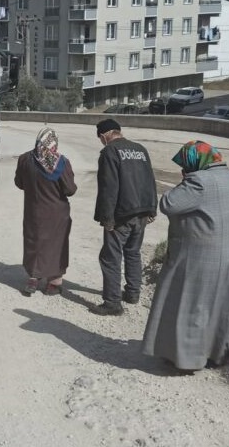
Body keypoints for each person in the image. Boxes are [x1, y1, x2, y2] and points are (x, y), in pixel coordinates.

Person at [142, 140, 229, 371]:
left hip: (198, 258)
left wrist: (185, 178)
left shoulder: (198, 182)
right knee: (222, 309)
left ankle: (188, 360)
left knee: (192, 307)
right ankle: (217, 355)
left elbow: (168, 204)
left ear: (194, 162)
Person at [91, 119, 158, 316]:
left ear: (105, 135)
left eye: (101, 138)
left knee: (110, 257)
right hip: (141, 212)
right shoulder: (140, 149)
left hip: (122, 214)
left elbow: (108, 187)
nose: (102, 142)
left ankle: (112, 303)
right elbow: (149, 179)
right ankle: (132, 293)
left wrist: (107, 218)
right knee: (133, 252)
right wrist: (151, 208)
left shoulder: (110, 152)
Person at [15, 127, 77, 296]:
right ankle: (54, 282)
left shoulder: (24, 159)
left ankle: (33, 279)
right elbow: (70, 189)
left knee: (34, 242)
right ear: (54, 142)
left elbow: (19, 183)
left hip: (33, 212)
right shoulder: (61, 162)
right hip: (57, 214)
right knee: (57, 245)